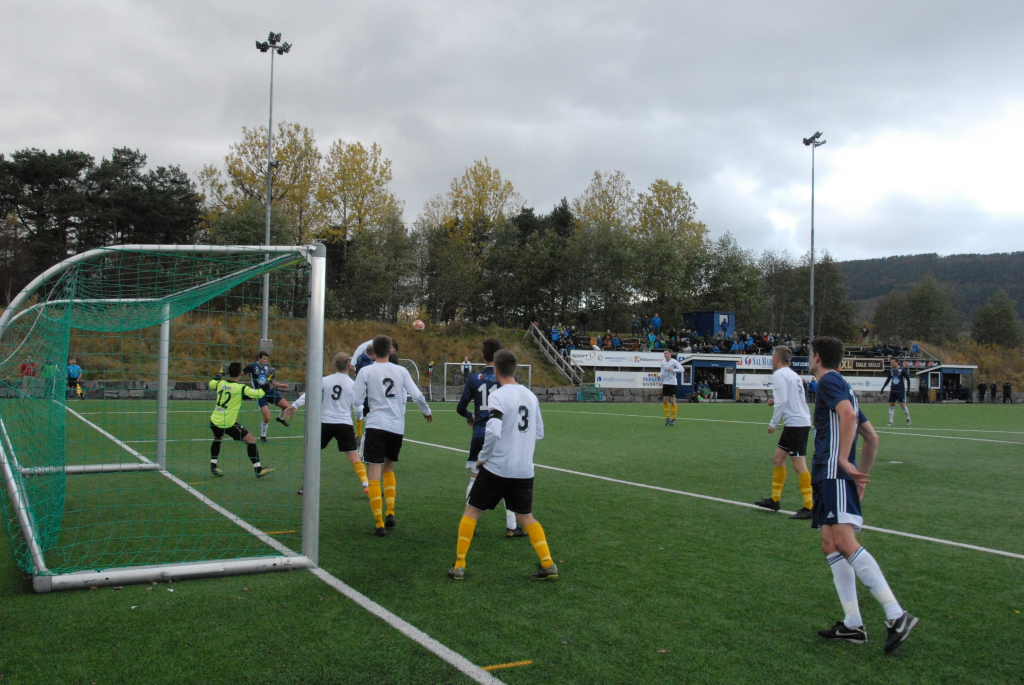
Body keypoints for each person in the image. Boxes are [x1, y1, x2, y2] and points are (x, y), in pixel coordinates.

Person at [808, 337, 917, 653]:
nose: (809, 359)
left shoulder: (829, 381)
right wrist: (862, 477)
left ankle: (896, 615)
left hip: (833, 473)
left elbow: (850, 417)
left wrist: (844, 461)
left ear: (817, 357)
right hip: (828, 476)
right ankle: (853, 624)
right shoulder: (841, 385)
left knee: (844, 542)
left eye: (810, 354)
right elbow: (872, 438)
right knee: (830, 544)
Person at [447, 349, 556, 581]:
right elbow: (539, 433)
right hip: (524, 469)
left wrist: (483, 457)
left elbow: (494, 431)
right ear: (515, 369)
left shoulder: (498, 395)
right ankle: (548, 564)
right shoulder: (531, 396)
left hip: (497, 468)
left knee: (471, 511)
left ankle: (459, 565)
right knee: (526, 517)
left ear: (496, 370)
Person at [353, 336, 432, 536]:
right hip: (396, 427)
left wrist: (361, 408)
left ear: (372, 352)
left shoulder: (366, 371)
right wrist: (426, 411)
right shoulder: (401, 370)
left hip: (375, 425)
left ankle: (379, 524)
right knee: (388, 469)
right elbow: (417, 395)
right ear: (390, 351)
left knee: (374, 473)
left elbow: (356, 400)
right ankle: (390, 512)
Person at [456, 337, 526, 538]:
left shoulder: (474, 378)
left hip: (480, 433)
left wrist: (470, 416)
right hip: (504, 435)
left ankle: (470, 524)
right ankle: (512, 526)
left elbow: (460, 407)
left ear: (482, 355)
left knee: (474, 478)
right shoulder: (509, 379)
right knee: (509, 480)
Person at [287, 352, 368, 496]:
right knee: (355, 457)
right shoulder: (353, 385)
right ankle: (366, 484)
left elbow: (309, 393)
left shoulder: (325, 380)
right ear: (349, 366)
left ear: (334, 365)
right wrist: (359, 417)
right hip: (344, 424)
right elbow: (357, 407)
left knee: (312, 453)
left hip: (326, 422)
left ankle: (305, 486)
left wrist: (295, 405)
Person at [754, 346, 813, 519]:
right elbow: (791, 398)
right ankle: (775, 500)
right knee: (778, 459)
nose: (771, 360)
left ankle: (810, 506)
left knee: (799, 464)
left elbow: (783, 401)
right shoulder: (793, 374)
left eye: (772, 356)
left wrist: (773, 423)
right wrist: (776, 400)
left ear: (777, 359)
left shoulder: (780, 374)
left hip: (796, 424)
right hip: (795, 423)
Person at [208, 362, 273, 478]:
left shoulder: (220, 383)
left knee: (218, 438)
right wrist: (268, 381)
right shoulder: (241, 388)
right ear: (240, 374)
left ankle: (213, 465)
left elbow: (211, 383)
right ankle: (258, 470)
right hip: (227, 423)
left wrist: (220, 373)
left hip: (214, 420)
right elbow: (258, 394)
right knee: (251, 441)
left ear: (228, 372)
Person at [241, 351, 293, 443]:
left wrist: (280, 385)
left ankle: (280, 419)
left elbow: (270, 380)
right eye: (264, 358)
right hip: (259, 394)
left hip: (269, 391)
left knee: (287, 406)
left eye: (266, 359)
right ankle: (263, 436)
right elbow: (241, 373)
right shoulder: (252, 366)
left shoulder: (267, 367)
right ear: (259, 358)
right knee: (267, 417)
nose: (265, 360)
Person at [879, 358, 912, 427]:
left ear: (897, 362)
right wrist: (883, 388)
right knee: (891, 404)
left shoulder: (902, 370)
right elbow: (888, 380)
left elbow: (908, 379)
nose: (892, 363)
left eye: (893, 362)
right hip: (893, 390)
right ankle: (891, 421)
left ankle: (908, 418)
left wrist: (908, 389)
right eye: (891, 362)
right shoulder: (891, 371)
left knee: (902, 405)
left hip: (900, 390)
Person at [659, 350, 685, 426]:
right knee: (665, 400)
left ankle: (674, 418)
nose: (665, 354)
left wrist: (673, 370)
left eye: (666, 353)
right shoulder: (662, 362)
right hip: (665, 383)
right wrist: (659, 375)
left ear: (670, 354)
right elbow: (662, 371)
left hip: (672, 383)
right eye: (664, 353)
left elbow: (682, 369)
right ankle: (667, 418)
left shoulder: (674, 362)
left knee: (672, 400)